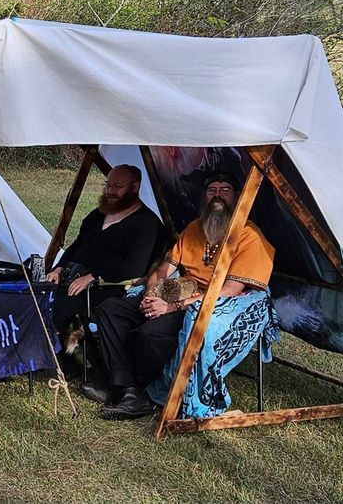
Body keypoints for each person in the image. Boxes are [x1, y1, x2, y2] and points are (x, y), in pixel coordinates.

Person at [90, 170, 275, 420]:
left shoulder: (250, 237)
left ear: (238, 197)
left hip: (207, 305)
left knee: (149, 334)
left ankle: (135, 390)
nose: (217, 195)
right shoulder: (194, 228)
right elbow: (164, 269)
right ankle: (127, 388)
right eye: (212, 190)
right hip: (179, 294)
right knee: (111, 310)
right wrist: (151, 294)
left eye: (225, 190)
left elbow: (230, 291)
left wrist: (172, 307)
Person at [47, 165, 163, 346]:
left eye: (117, 186)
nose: (110, 191)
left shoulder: (147, 224)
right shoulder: (98, 214)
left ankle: (48, 354)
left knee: (60, 305)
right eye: (107, 185)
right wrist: (59, 268)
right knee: (35, 291)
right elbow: (77, 245)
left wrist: (94, 277)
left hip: (107, 287)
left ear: (135, 187)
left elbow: (134, 267)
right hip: (73, 275)